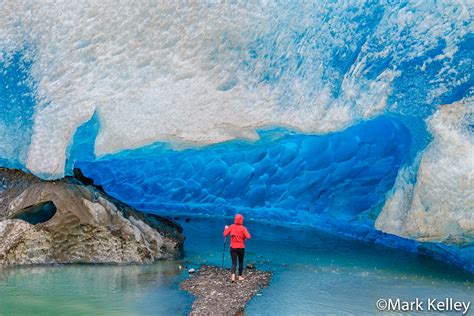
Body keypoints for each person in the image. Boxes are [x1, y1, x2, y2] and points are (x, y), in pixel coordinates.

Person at [223, 214, 251, 282]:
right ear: (242, 220)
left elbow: (224, 234)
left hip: (233, 247)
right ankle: (240, 277)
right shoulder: (243, 228)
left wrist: (226, 229)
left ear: (235, 219)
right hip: (241, 247)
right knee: (240, 262)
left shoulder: (231, 226)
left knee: (233, 263)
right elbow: (249, 237)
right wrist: (243, 236)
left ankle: (233, 277)